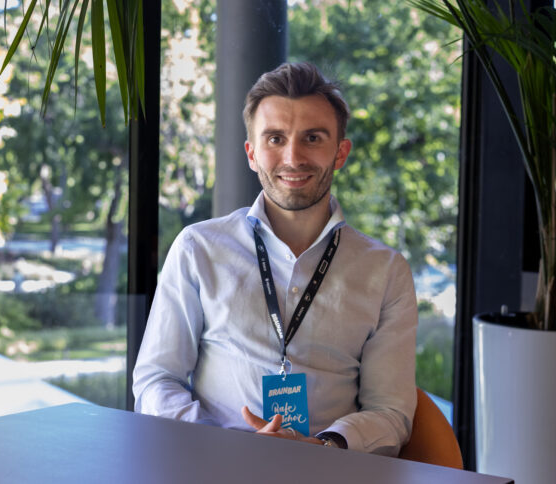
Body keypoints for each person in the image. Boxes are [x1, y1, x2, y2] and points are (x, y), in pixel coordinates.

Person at [132, 62, 417, 456]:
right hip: (215, 466)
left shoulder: (385, 271)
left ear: (340, 152)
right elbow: (156, 381)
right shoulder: (198, 249)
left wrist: (321, 446)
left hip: (329, 471)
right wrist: (225, 446)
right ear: (252, 154)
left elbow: (390, 411)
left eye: (313, 138)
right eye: (275, 138)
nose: (293, 157)